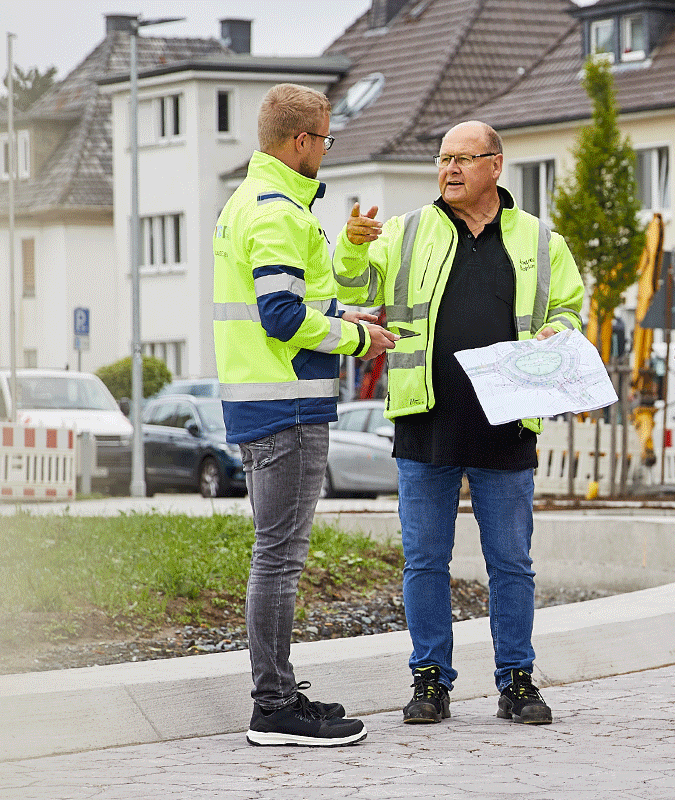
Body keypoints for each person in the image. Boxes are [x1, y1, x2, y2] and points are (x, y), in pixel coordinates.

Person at [336, 120, 585, 727]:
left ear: (494, 166)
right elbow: (351, 285)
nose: (449, 169)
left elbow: (571, 309)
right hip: (426, 419)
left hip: (507, 421)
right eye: (443, 158)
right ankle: (430, 681)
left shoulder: (540, 239)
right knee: (424, 560)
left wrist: (561, 331)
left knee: (511, 563)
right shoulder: (405, 231)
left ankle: (517, 680)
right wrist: (349, 244)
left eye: (463, 159)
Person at [212, 84, 395, 747]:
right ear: (301, 142)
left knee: (273, 555)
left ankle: (280, 693)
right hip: (287, 406)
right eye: (325, 138)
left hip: (259, 402)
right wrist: (356, 338)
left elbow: (300, 302)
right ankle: (274, 707)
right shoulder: (278, 212)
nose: (325, 149)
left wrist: (344, 308)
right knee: (279, 560)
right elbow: (283, 317)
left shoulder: (248, 205)